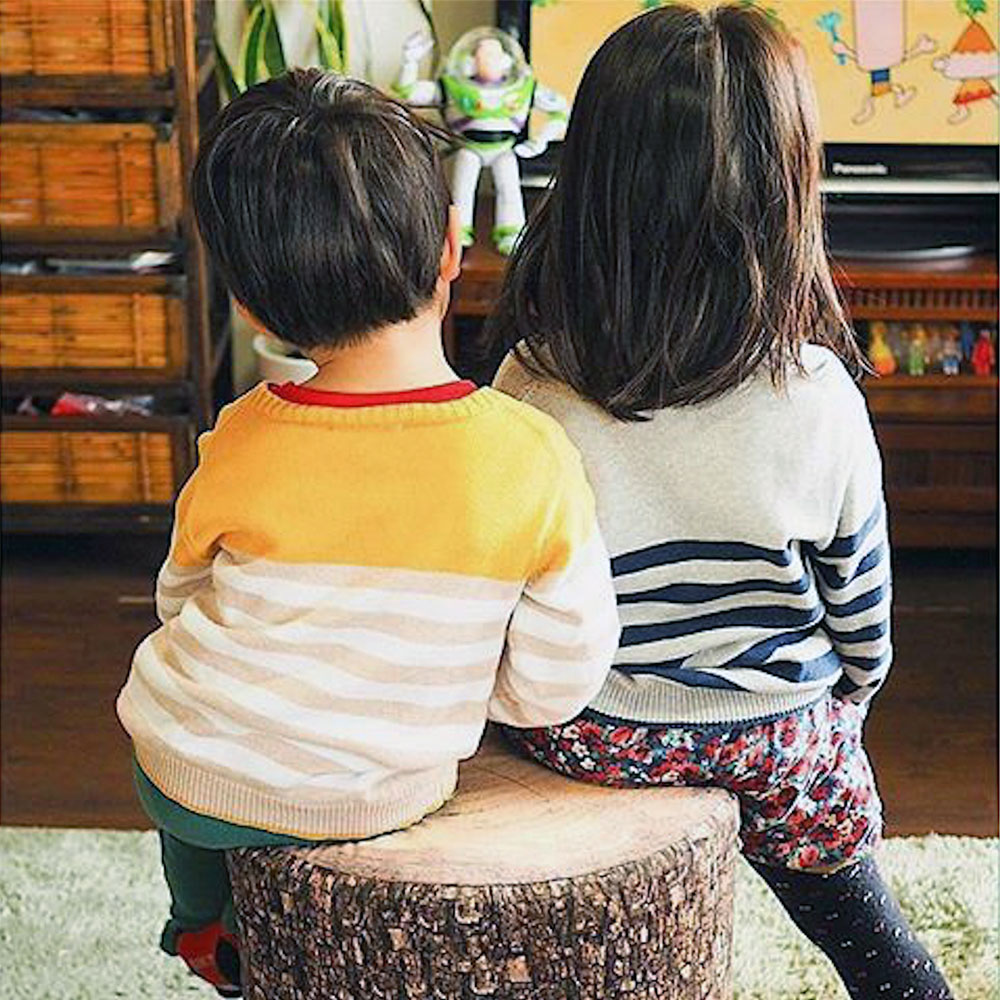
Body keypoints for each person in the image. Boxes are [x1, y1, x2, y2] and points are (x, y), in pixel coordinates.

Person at [116, 69, 619, 997]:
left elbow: (178, 596)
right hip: (382, 797)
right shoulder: (530, 454)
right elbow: (559, 679)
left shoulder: (242, 434)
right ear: (452, 246)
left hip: (192, 773)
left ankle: (202, 925)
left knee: (182, 775)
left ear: (252, 307)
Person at [487, 6, 953, 998]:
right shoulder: (818, 396)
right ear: (787, 198)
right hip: (777, 733)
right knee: (874, 942)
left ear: (590, 185)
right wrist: (844, 705)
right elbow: (862, 622)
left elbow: (508, 600)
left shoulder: (529, 385)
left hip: (592, 731)